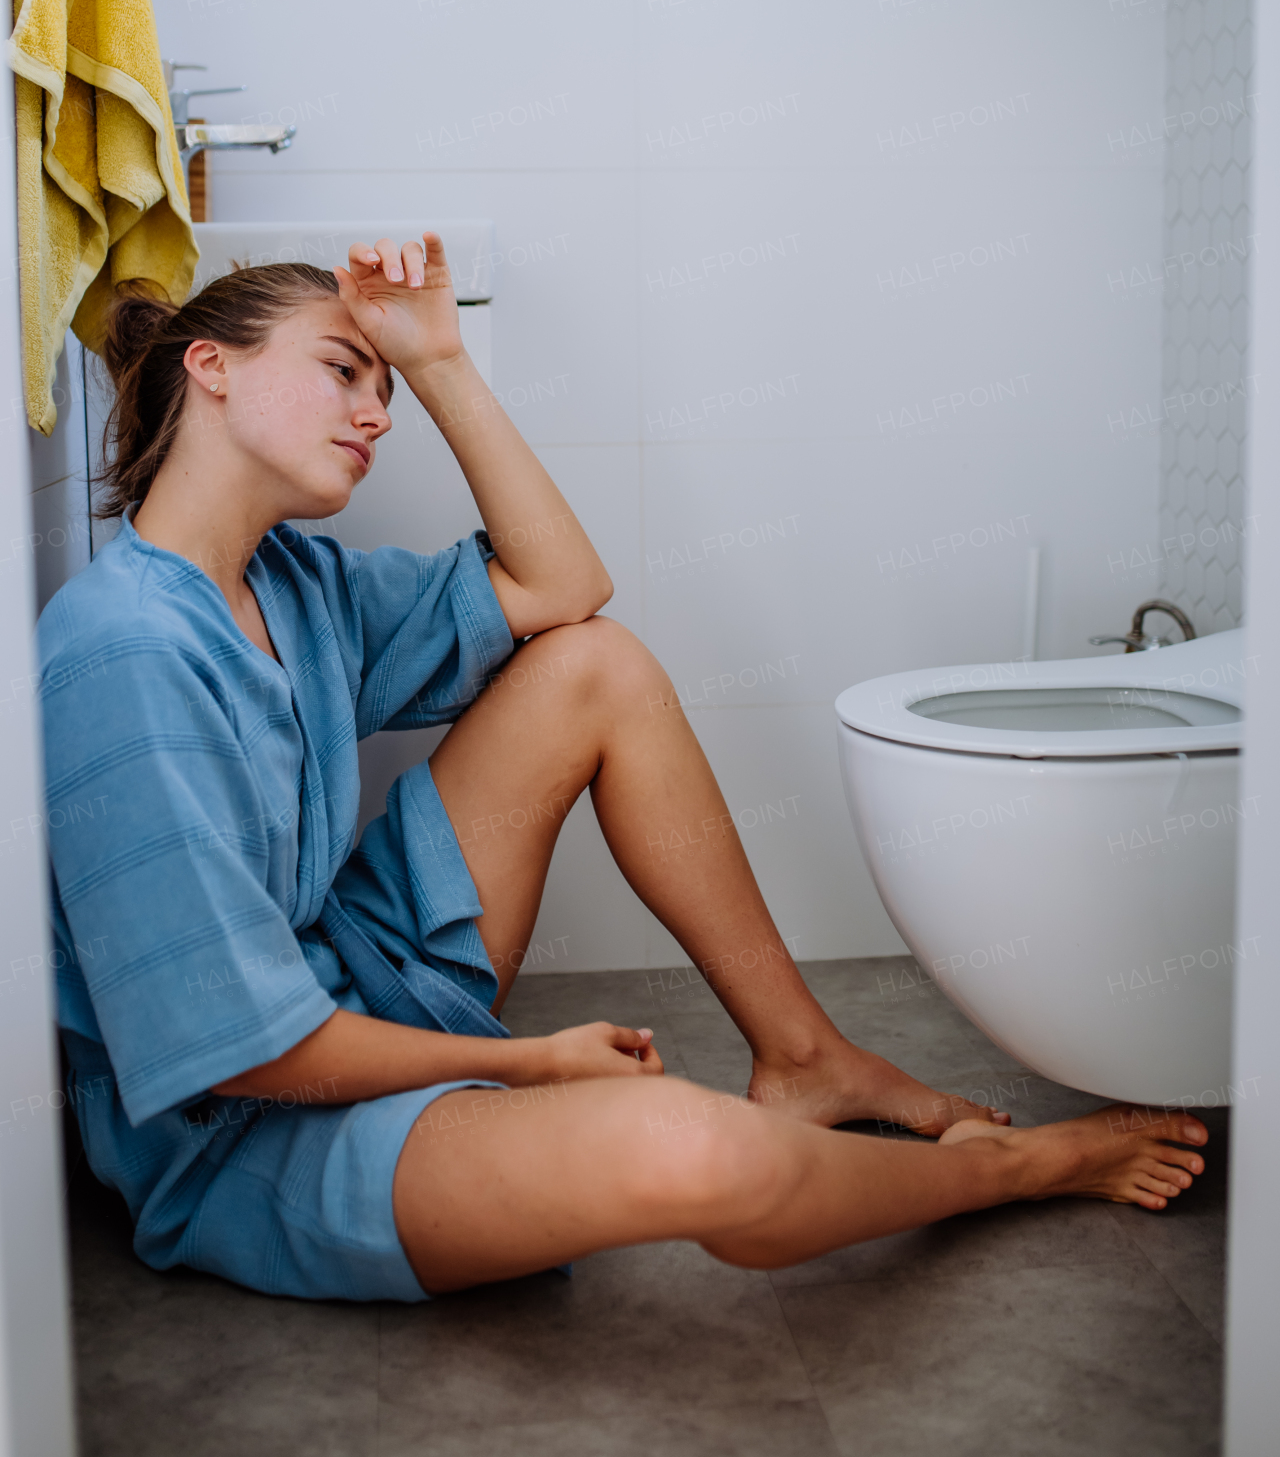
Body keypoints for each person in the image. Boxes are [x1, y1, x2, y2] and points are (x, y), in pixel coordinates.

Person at [40, 233, 1208, 1303]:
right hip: (245, 1122)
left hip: (345, 978)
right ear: (212, 367)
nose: (376, 411)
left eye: (386, 388)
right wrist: (535, 1064)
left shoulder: (293, 582)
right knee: (691, 1152)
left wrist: (438, 360)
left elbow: (561, 590)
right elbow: (250, 1052)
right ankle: (1006, 1169)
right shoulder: (125, 654)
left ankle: (804, 1056)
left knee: (594, 665)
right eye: (346, 369)